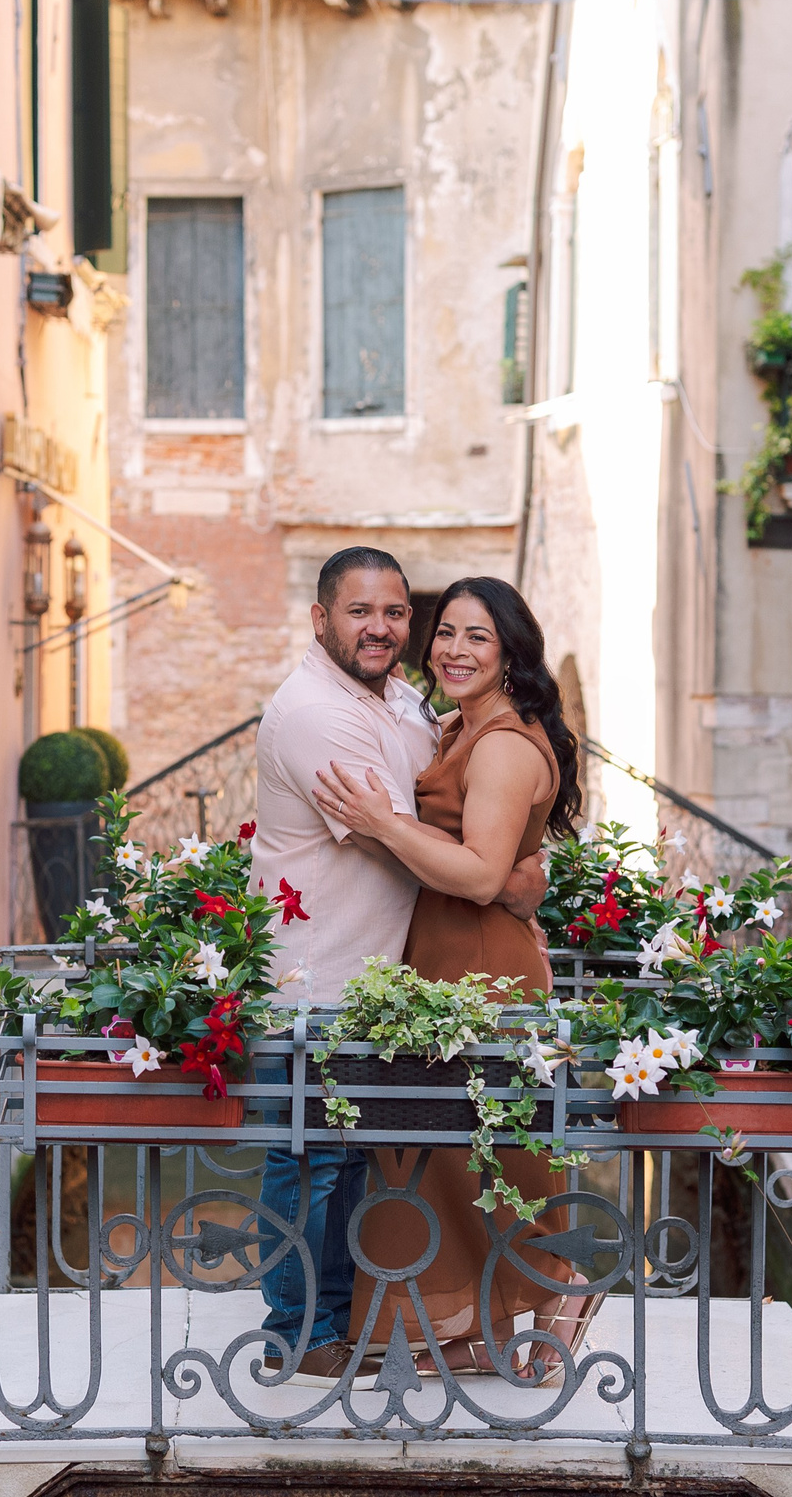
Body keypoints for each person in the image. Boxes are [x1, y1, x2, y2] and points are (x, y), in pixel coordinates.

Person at [247, 548, 543, 1387]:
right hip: (318, 974)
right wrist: (505, 872)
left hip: (390, 980)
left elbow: (450, 803)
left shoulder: (406, 698)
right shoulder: (315, 714)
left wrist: (515, 859)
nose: (380, 626)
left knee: (360, 1157)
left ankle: (363, 1321)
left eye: (393, 612)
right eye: (357, 611)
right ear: (319, 619)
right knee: (306, 1158)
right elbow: (399, 833)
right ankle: (298, 1333)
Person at [313, 575, 595, 1385]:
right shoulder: (458, 727)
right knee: (448, 1154)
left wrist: (381, 821)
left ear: (510, 652)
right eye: (446, 633)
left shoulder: (502, 742)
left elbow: (476, 875)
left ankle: (560, 1291)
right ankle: (486, 1321)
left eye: (477, 636)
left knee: (488, 1148)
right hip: (446, 963)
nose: (454, 649)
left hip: (478, 963)